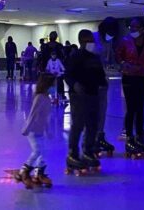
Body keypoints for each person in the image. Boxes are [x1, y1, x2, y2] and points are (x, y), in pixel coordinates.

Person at [64, 29, 107, 174]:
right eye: (89, 40)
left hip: (93, 94)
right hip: (79, 96)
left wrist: (103, 83)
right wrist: (75, 85)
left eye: (92, 40)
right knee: (78, 124)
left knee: (92, 124)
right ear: (82, 41)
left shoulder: (95, 58)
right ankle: (72, 154)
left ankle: (87, 151)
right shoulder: (75, 56)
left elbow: (100, 75)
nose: (92, 43)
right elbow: (68, 75)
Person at [116, 17, 144, 158]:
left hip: (141, 78)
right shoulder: (125, 41)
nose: (133, 29)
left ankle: (139, 136)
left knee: (140, 108)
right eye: (131, 27)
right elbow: (118, 56)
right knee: (131, 108)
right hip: (128, 77)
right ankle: (129, 138)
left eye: (136, 27)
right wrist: (123, 64)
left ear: (142, 28)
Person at [17, 73, 55, 189]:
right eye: (52, 85)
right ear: (46, 85)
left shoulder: (48, 99)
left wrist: (48, 130)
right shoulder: (39, 98)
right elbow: (33, 115)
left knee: (43, 152)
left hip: (40, 130)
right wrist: (26, 128)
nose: (54, 87)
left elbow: (46, 117)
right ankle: (24, 170)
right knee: (37, 151)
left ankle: (39, 173)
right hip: (32, 130)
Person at [93, 17, 119, 156]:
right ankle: (91, 140)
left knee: (102, 109)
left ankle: (100, 136)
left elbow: (109, 59)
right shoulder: (93, 37)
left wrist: (117, 66)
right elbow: (87, 57)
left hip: (103, 80)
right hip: (91, 81)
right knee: (93, 110)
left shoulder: (109, 40)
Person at [42, 31, 65, 99]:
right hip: (50, 68)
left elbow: (43, 57)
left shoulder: (46, 46)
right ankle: (58, 95)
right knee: (57, 82)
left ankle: (54, 95)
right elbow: (62, 56)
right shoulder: (59, 45)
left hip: (53, 68)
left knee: (52, 82)